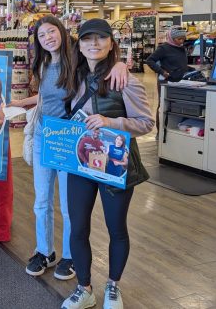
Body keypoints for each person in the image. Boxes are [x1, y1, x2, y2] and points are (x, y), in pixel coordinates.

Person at [7, 16, 128, 282]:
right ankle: (44, 251)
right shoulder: (43, 63)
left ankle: (71, 256)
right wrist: (22, 102)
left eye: (52, 32)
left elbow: (102, 63)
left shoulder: (77, 60)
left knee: (70, 204)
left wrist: (120, 63)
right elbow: (47, 96)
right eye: (42, 35)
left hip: (69, 138)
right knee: (41, 200)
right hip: (43, 135)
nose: (48, 37)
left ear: (62, 32)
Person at [61, 18, 154, 309]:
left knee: (116, 228)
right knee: (77, 228)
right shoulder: (72, 78)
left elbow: (146, 123)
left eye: (101, 38)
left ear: (111, 43)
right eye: (87, 39)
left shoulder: (124, 80)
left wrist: (110, 122)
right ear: (80, 44)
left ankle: (113, 286)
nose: (94, 44)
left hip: (116, 164)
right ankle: (84, 288)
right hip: (82, 162)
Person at [144, 26, 189, 135]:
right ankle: (160, 133)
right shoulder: (164, 48)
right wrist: (162, 72)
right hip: (166, 82)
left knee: (177, 106)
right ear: (171, 38)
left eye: (183, 39)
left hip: (180, 81)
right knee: (163, 106)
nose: (181, 41)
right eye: (179, 39)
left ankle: (173, 131)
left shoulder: (181, 48)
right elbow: (150, 60)